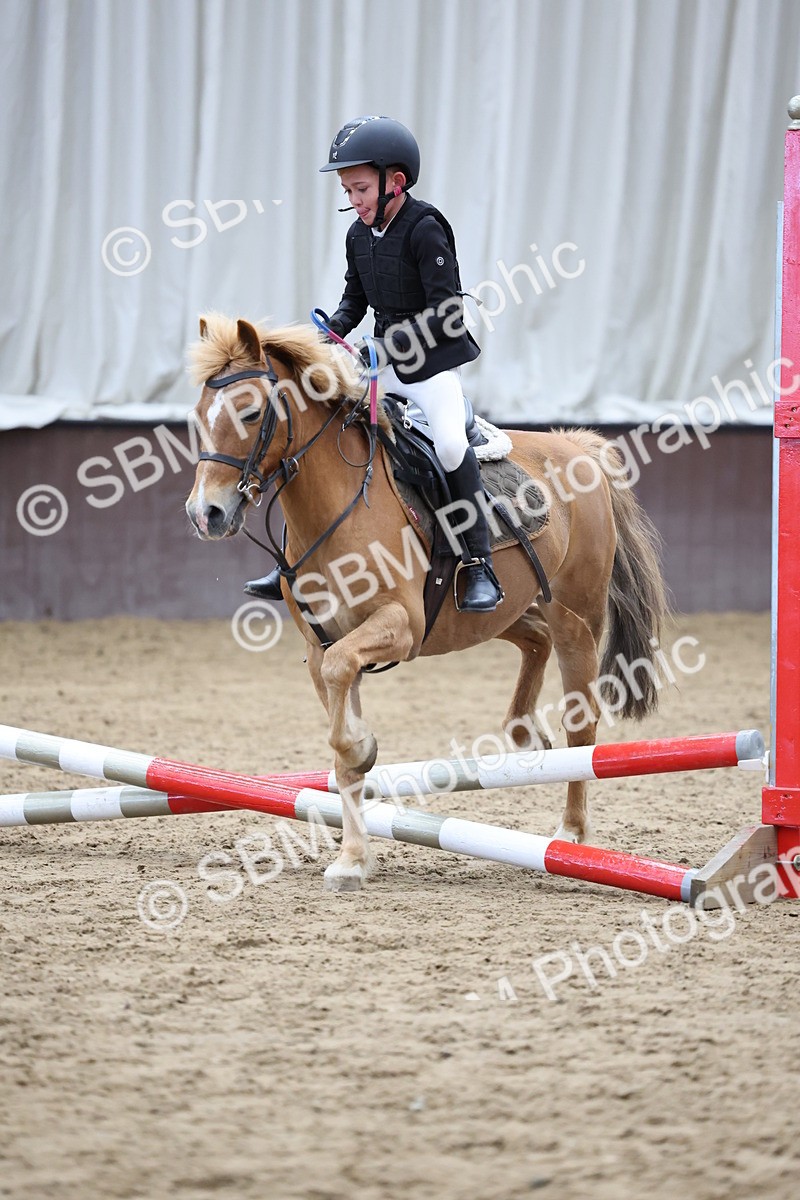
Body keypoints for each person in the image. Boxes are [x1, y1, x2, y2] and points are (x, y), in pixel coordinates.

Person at [246, 115, 503, 613]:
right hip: (378, 368)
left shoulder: (426, 228)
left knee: (450, 445)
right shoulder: (357, 236)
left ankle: (479, 563)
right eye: (348, 190)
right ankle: (293, 560)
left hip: (427, 370)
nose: (354, 200)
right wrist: (328, 331)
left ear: (395, 181)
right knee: (308, 426)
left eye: (360, 188)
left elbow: (447, 315)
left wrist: (389, 347)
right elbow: (354, 302)